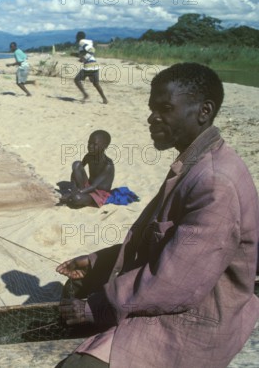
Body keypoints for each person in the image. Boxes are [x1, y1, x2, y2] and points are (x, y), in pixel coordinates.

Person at [55, 63, 259, 367]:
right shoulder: (192, 163)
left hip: (195, 318)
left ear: (204, 111)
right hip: (179, 291)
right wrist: (100, 260)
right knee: (74, 286)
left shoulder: (214, 181)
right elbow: (165, 242)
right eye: (152, 109)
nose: (153, 118)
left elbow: (178, 282)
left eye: (165, 108)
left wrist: (96, 307)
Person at [59, 130, 114, 208]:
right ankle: (79, 193)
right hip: (88, 186)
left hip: (99, 193)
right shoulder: (89, 156)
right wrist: (73, 187)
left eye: (94, 144)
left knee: (76, 198)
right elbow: (76, 170)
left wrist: (75, 193)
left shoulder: (108, 165)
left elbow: (94, 186)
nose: (90, 146)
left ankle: (78, 195)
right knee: (77, 164)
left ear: (104, 146)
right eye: (89, 143)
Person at [73, 31, 108, 104]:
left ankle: (85, 95)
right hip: (95, 65)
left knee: (76, 80)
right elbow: (86, 54)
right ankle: (104, 99)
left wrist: (85, 57)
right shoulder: (88, 42)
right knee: (96, 84)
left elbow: (90, 51)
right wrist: (81, 57)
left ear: (78, 37)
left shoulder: (81, 43)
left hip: (89, 66)